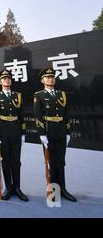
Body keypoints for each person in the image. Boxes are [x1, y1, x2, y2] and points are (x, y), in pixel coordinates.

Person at [34, 67, 76, 202]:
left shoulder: (61, 94)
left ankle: (63, 189)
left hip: (61, 131)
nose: (50, 79)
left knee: (61, 161)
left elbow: (66, 114)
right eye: (47, 77)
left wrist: (68, 131)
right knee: (50, 162)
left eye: (52, 77)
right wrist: (41, 134)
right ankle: (54, 191)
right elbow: (38, 116)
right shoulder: (39, 95)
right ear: (42, 80)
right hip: (48, 131)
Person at [0, 69, 28, 201]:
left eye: (8, 78)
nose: (7, 80)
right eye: (4, 78)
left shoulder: (18, 96)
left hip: (16, 130)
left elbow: (22, 115)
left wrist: (23, 132)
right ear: (0, 82)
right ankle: (8, 187)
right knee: (5, 160)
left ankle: (17, 188)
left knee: (16, 161)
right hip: (3, 130)